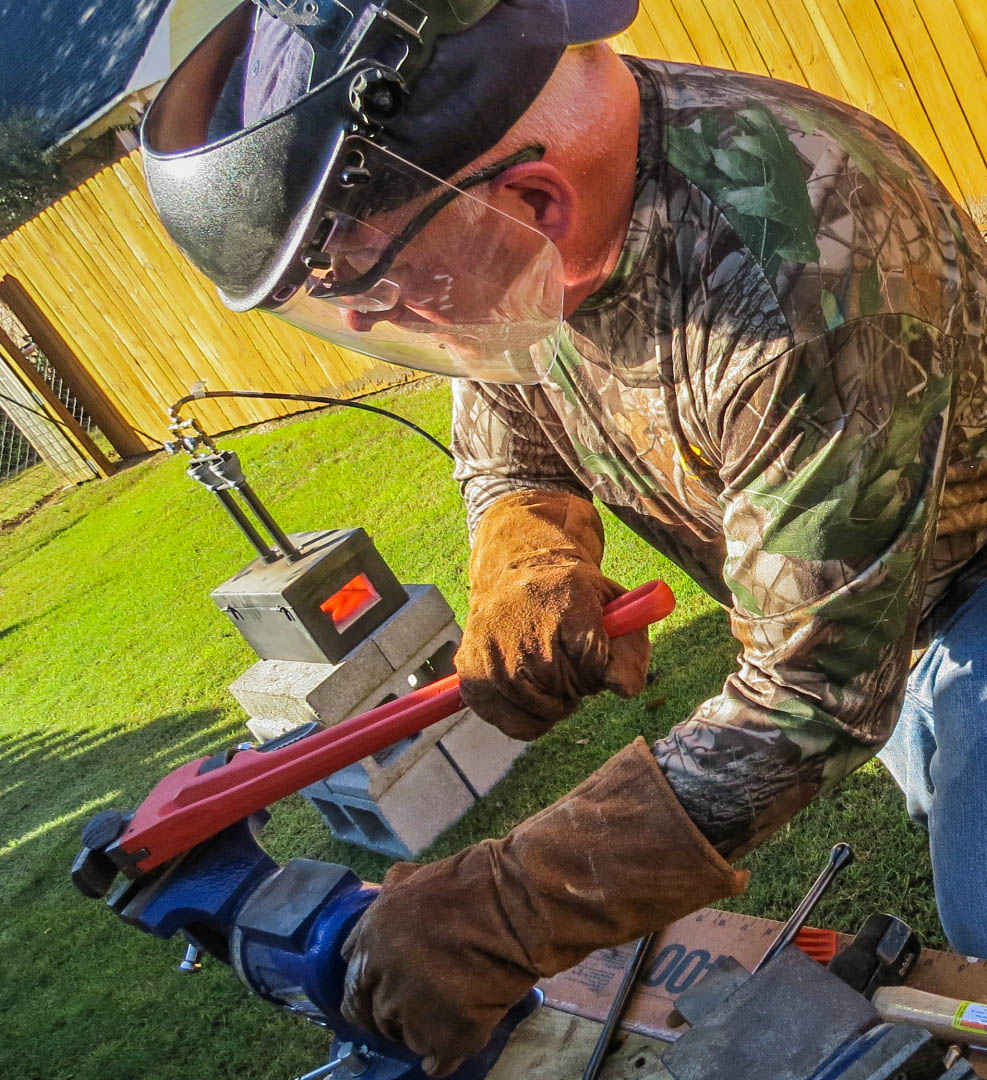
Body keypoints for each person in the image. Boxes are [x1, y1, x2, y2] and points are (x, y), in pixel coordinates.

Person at [141, 1, 987, 1074]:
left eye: (370, 283)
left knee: (981, 935)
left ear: (534, 203)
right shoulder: (532, 214)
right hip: (884, 602)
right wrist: (526, 546)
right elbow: (507, 393)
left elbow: (811, 695)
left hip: (964, 589)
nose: (360, 320)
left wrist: (502, 910)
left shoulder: (806, 276)